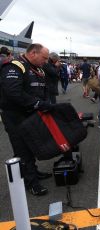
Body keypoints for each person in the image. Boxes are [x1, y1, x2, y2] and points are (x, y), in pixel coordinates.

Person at [0, 43, 54, 196]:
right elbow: (13, 93)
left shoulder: (38, 69)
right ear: (33, 53)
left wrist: (44, 104)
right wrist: (37, 103)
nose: (45, 61)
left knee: (31, 145)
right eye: (44, 58)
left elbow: (42, 90)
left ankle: (34, 172)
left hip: (31, 114)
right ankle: (31, 183)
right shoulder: (15, 66)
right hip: (14, 116)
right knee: (22, 149)